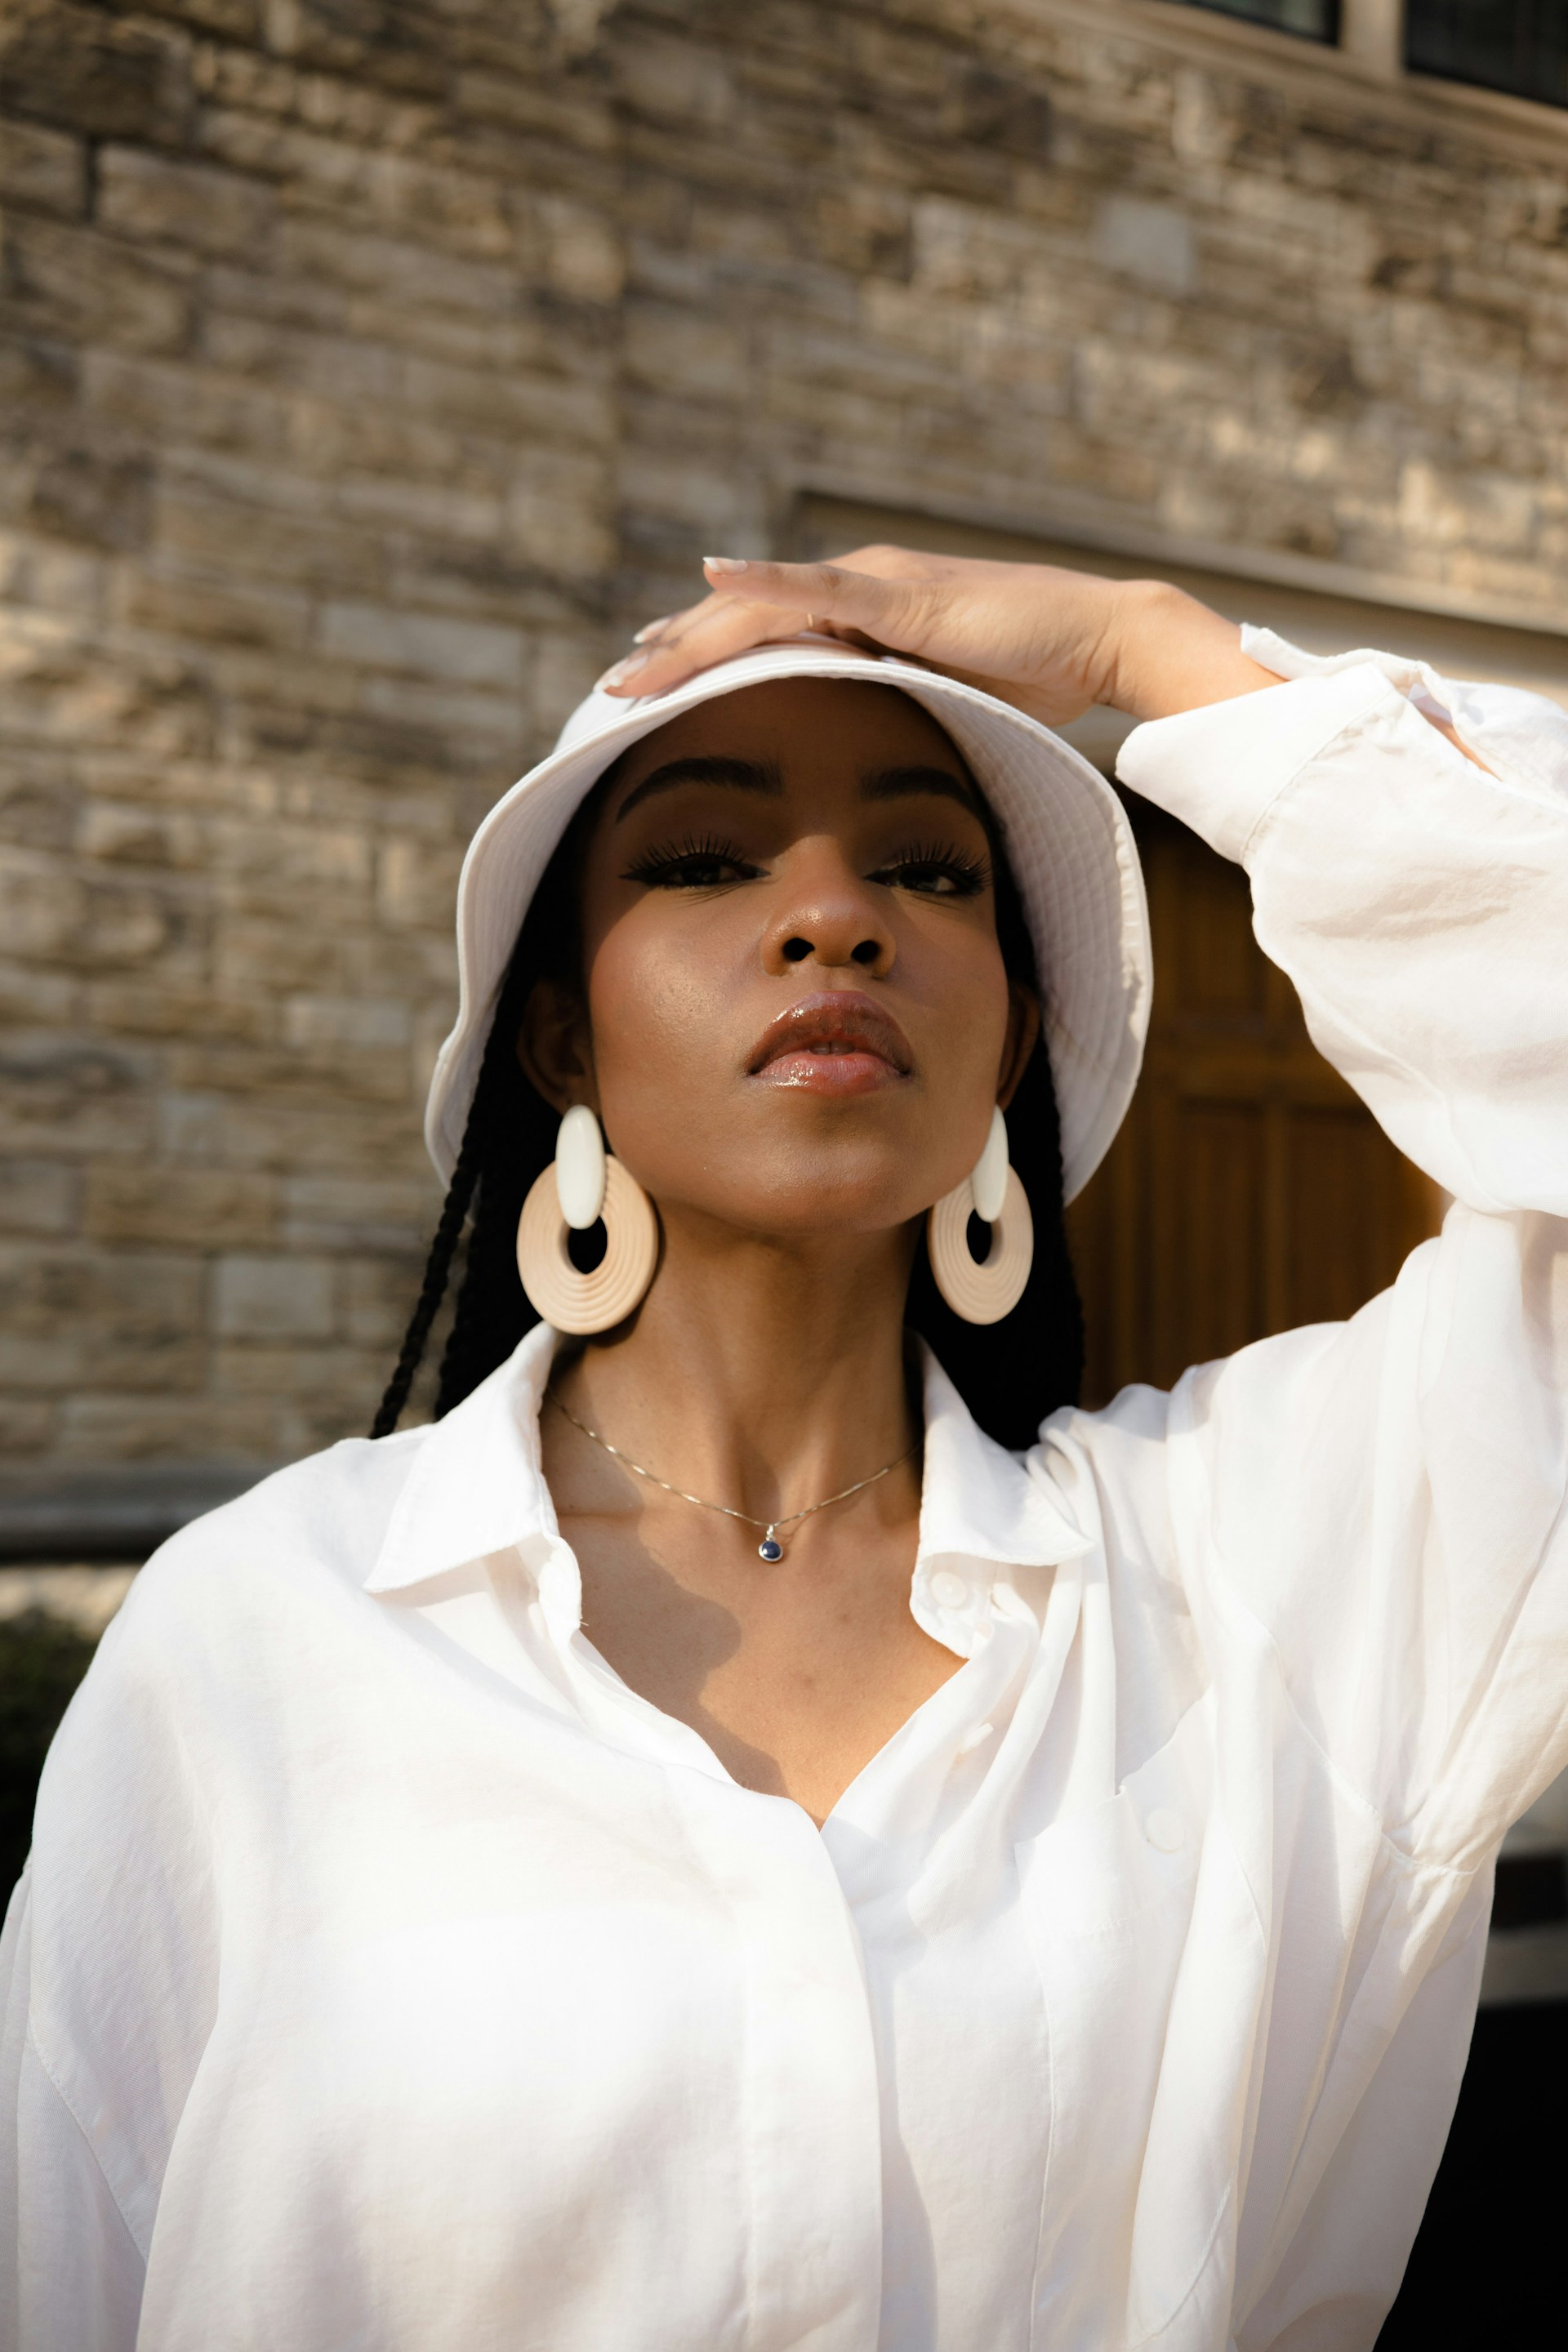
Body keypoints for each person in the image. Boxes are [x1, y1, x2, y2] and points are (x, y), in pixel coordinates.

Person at [2, 547, 1564, 2352]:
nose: (835, 918)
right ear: (559, 1038)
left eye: (924, 867)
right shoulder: (257, 1640)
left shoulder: (1258, 1583)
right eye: (703, 861)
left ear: (1013, 1044)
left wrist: (1151, 645)